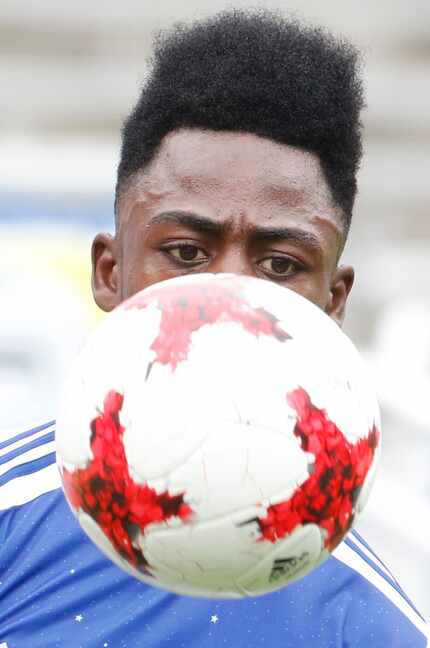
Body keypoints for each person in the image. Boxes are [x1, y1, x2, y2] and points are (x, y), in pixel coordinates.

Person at [0, 9, 428, 647]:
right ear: (109, 272)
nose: (229, 307)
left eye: (280, 265)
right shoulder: (13, 531)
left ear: (333, 308)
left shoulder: (367, 627)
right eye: (186, 252)